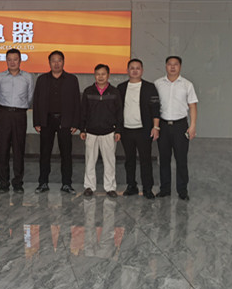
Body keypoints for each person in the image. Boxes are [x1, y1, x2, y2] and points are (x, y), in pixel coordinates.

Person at [33, 50, 81, 194]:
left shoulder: (72, 79)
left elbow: (76, 102)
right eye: (53, 61)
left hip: (65, 121)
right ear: (49, 63)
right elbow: (36, 101)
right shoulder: (42, 79)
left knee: (66, 154)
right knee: (44, 153)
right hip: (46, 121)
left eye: (59, 60)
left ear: (63, 62)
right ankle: (43, 183)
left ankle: (67, 184)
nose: (56, 63)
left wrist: (75, 123)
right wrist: (37, 121)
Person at [154, 55, 198, 201]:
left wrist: (192, 126)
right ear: (165, 66)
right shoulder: (158, 84)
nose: (172, 67)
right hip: (163, 126)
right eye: (169, 64)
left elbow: (193, 106)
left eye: (176, 64)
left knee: (181, 159)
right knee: (164, 159)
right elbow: (153, 107)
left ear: (180, 66)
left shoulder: (187, 84)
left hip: (180, 126)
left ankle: (182, 190)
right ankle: (165, 189)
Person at [117, 58, 160, 200]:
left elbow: (155, 109)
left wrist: (156, 127)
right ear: (127, 70)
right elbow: (117, 109)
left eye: (138, 68)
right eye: (132, 68)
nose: (135, 71)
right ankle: (131, 186)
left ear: (142, 70)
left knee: (145, 160)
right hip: (126, 130)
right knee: (129, 160)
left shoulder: (149, 87)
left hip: (144, 130)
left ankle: (147, 188)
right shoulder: (121, 88)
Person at [79, 64, 123, 198]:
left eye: (103, 74)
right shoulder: (88, 91)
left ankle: (110, 187)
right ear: (94, 75)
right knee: (90, 161)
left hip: (109, 132)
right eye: (98, 74)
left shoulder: (114, 92)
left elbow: (119, 113)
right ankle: (89, 187)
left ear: (108, 75)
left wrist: (118, 130)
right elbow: (83, 112)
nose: (100, 77)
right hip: (91, 132)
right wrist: (82, 129)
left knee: (109, 161)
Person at [0, 48, 33, 194]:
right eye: (9, 59)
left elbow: (30, 97)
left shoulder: (28, 77)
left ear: (20, 60)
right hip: (4, 114)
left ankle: (17, 183)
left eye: (15, 59)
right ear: (6, 61)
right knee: (3, 149)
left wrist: (19, 108)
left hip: (20, 114)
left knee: (18, 149)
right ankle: (3, 183)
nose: (12, 62)